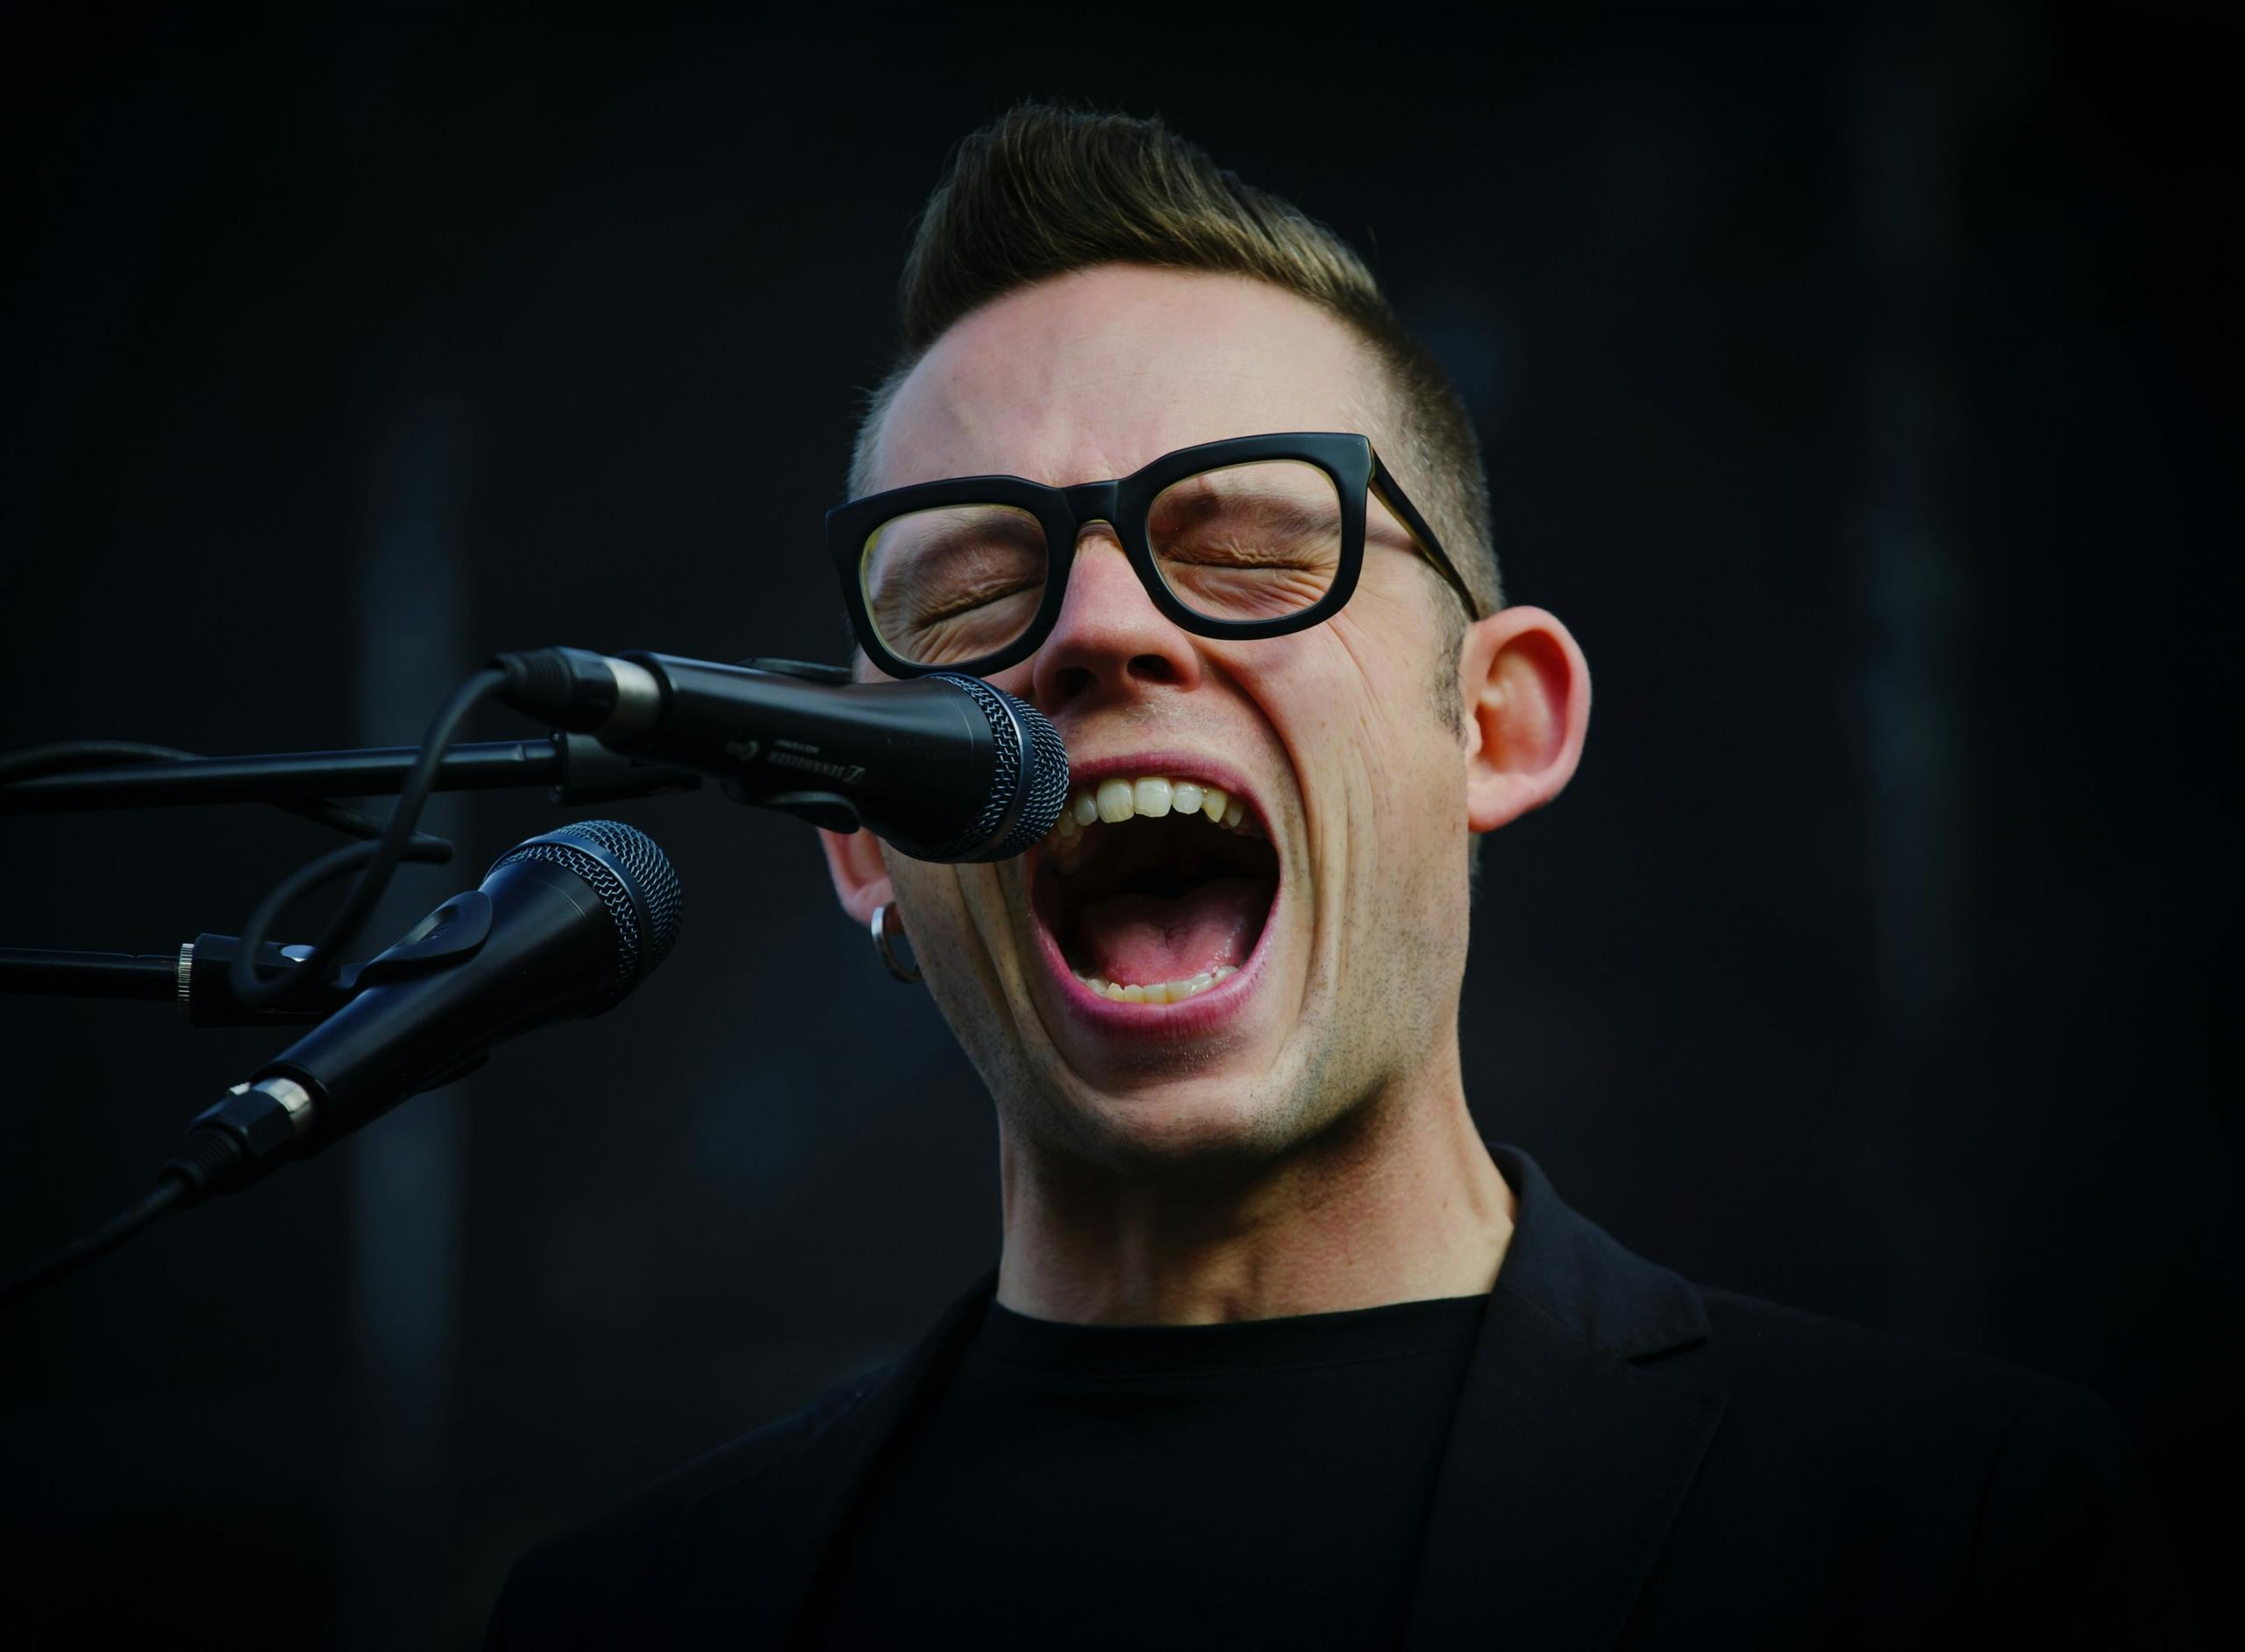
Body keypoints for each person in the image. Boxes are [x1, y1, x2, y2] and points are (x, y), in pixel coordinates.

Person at [489, 105, 2196, 1650]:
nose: (1096, 630)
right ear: (861, 841)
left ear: (1497, 725)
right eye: (964, 601)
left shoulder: (1953, 1540)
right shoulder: (631, 1621)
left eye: (1244, 551)